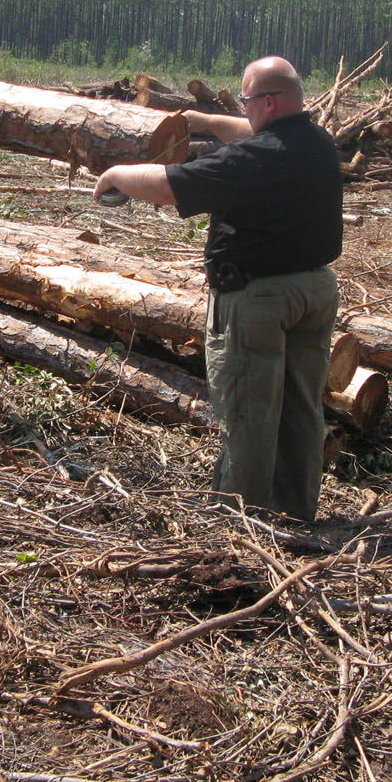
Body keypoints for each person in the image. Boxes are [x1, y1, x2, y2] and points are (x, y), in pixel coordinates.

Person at [92, 56, 343, 520]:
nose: (243, 110)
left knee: (248, 415)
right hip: (315, 292)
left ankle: (240, 526)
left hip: (258, 301)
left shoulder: (250, 160)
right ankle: (296, 516)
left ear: (269, 102)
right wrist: (205, 122)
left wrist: (116, 174)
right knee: (301, 411)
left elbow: (170, 186)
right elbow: (256, 133)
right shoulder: (316, 142)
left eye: (246, 100)